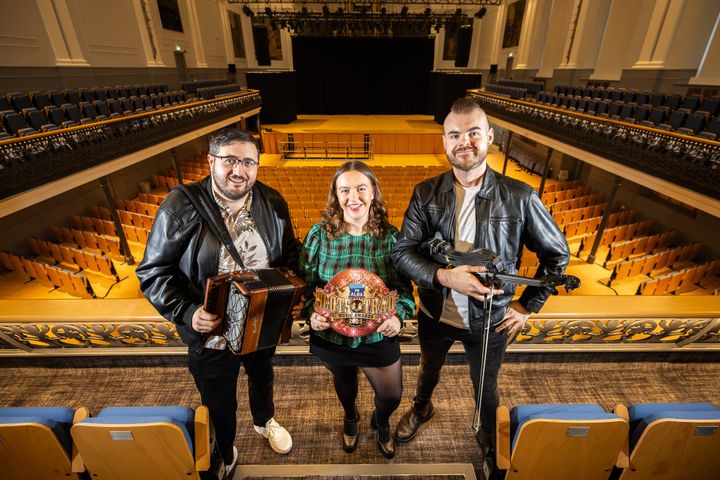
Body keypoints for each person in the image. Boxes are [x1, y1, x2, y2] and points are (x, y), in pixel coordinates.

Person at [391, 97, 570, 467]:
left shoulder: (521, 197)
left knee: (487, 390)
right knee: (428, 370)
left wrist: (526, 306)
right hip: (435, 312)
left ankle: (490, 443)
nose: (464, 142)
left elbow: (557, 257)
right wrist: (444, 276)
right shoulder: (426, 194)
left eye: (473, 132)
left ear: (490, 136)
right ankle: (422, 408)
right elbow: (403, 253)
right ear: (444, 142)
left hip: (491, 321)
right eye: (454, 134)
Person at [136, 127, 299, 474]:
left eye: (248, 162)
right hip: (211, 331)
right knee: (218, 400)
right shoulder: (180, 204)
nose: (238, 171)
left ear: (257, 165)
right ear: (211, 161)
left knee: (262, 376)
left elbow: (289, 255)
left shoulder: (272, 201)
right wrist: (188, 312)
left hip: (260, 321)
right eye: (229, 160)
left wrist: (292, 295)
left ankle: (264, 420)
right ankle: (225, 448)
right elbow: (152, 272)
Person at [298, 161, 415, 459]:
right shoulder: (318, 235)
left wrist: (397, 317)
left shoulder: (390, 237)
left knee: (391, 394)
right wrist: (312, 314)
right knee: (345, 385)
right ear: (336, 196)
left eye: (361, 188)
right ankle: (350, 417)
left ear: (373, 192)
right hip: (333, 338)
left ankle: (383, 420)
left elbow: (403, 290)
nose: (354, 197)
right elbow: (306, 287)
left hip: (377, 336)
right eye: (345, 190)